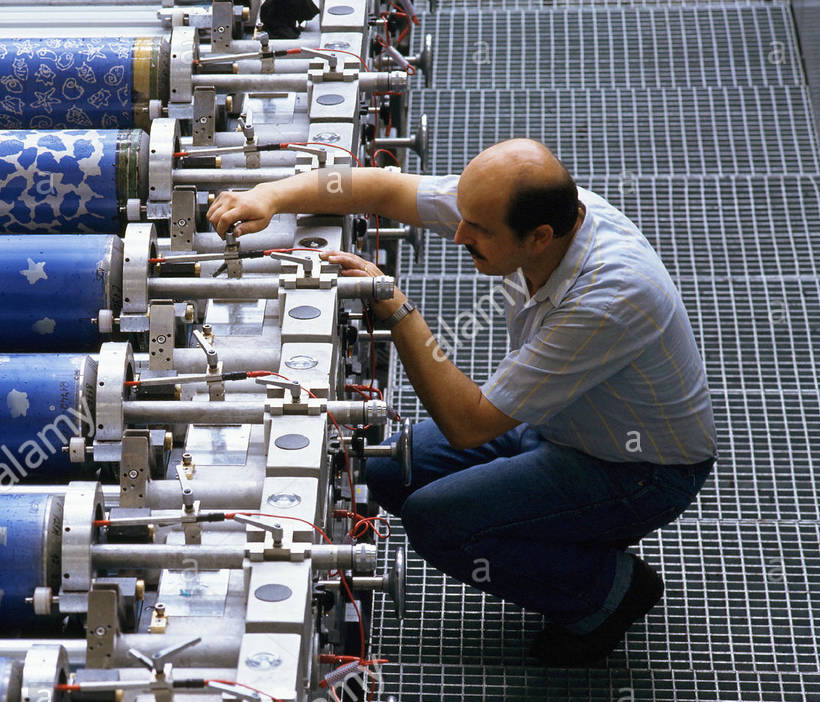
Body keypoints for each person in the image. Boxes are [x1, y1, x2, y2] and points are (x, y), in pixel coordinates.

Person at [206, 139, 716, 665]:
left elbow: (468, 425)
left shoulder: (608, 298)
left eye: (476, 233)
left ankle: (607, 593)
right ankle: (561, 534)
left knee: (436, 521)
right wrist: (269, 195)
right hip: (560, 424)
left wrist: (398, 310)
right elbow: (385, 190)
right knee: (390, 471)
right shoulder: (531, 212)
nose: (457, 236)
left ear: (539, 237)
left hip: (636, 469)